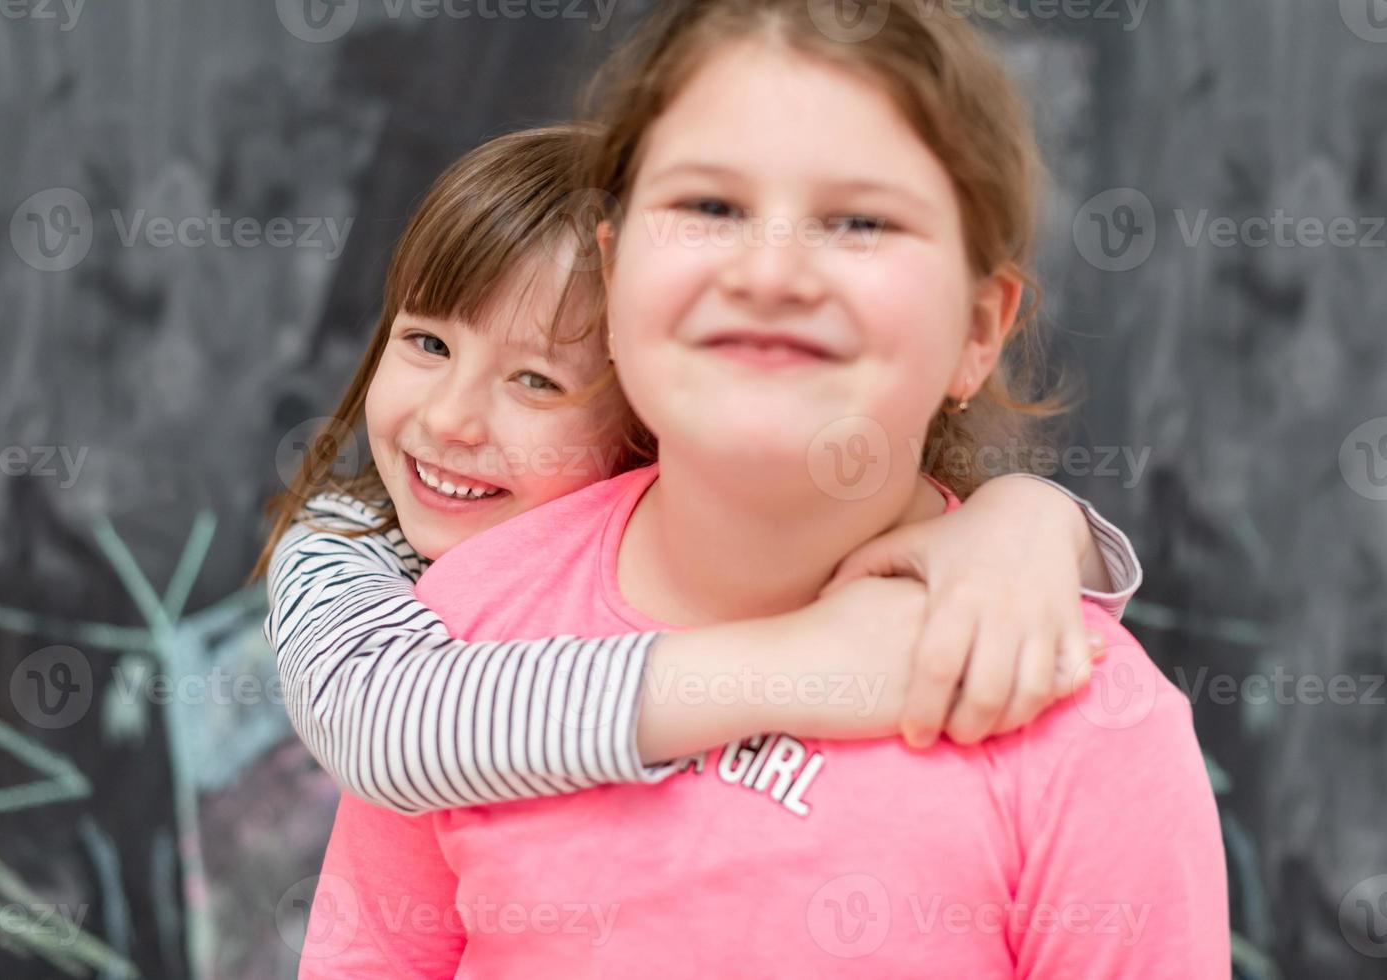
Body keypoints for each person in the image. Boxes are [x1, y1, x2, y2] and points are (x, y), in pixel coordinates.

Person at [298, 1, 1228, 975]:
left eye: (861, 220)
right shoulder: (458, 623)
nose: (771, 270)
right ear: (615, 280)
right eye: (709, 206)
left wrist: (1035, 514)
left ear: (979, 330)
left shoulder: (1087, 723)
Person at [254, 123, 1142, 816]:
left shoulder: (726, 544)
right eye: (426, 341)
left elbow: (1038, 639)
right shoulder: (348, 543)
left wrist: (1031, 520)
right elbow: (385, 722)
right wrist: (802, 667)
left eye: (535, 380)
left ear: (653, 407)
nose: (447, 417)